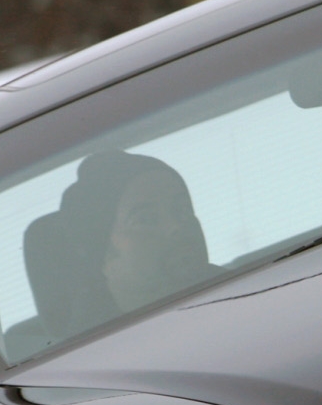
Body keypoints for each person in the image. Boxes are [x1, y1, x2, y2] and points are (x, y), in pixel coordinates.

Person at [14, 152, 210, 357]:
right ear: (101, 255)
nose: (176, 226)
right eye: (145, 219)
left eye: (183, 209)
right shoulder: (89, 363)